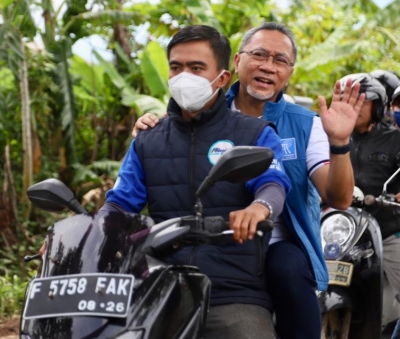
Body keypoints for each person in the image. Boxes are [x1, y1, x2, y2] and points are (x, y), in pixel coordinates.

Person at [133, 22, 364, 339]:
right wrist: (150, 128)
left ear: (290, 71)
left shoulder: (306, 124)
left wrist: (339, 143)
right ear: (237, 63)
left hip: (277, 241)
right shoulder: (206, 109)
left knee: (286, 268)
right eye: (259, 55)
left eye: (280, 60)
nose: (268, 66)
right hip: (211, 239)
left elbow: (338, 198)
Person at [103, 25, 292, 339]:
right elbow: (120, 204)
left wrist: (259, 209)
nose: (183, 76)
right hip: (157, 287)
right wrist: (79, 240)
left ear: (222, 77)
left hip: (232, 289)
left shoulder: (253, 133)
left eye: (196, 68)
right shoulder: (147, 140)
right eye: (176, 67)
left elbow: (273, 182)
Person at [341, 73, 400, 308]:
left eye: (362, 100)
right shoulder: (332, 136)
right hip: (343, 228)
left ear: (378, 106)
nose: (354, 105)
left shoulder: (397, 139)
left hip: (388, 229)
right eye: (348, 99)